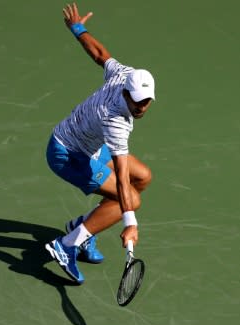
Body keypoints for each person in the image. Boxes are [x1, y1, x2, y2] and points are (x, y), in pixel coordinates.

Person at [45, 3, 155, 284]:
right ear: (127, 95)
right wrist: (130, 224)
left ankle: (82, 228)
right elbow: (119, 180)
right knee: (130, 199)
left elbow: (99, 54)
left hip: (90, 144)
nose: (141, 108)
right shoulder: (116, 121)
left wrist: (77, 28)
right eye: (137, 103)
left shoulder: (122, 75)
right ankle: (68, 244)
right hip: (68, 155)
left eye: (146, 102)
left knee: (142, 177)